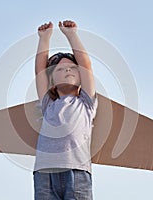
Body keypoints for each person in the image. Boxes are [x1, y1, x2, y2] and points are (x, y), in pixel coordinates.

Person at [34, 20, 98, 200]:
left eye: (72, 68)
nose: (67, 70)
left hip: (77, 171)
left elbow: (86, 65)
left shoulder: (86, 102)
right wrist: (44, 39)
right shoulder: (48, 104)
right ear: (52, 81)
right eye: (60, 69)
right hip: (44, 172)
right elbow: (40, 70)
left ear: (80, 77)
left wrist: (72, 35)